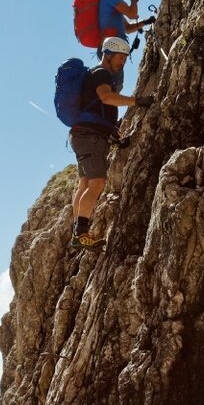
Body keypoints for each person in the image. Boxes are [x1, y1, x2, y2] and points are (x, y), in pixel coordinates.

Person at [70, 36, 150, 249]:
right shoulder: (101, 73)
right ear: (107, 55)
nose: (122, 62)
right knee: (97, 183)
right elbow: (106, 98)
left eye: (125, 58)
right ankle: (81, 233)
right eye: (120, 58)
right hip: (89, 137)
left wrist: (113, 135)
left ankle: (77, 232)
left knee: (85, 183)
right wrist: (137, 101)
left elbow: (99, 108)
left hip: (83, 135)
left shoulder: (95, 74)